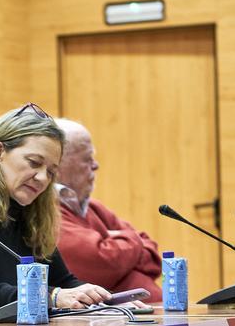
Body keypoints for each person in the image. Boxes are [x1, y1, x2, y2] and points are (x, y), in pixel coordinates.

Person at [0, 103, 116, 316]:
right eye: (34, 163)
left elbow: (64, 282)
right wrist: (54, 296)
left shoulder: (29, 216)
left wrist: (110, 301)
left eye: (52, 172)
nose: (43, 178)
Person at [54, 118, 162, 302]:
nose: (96, 166)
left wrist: (116, 245)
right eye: (87, 159)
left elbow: (153, 259)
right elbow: (102, 265)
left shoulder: (93, 207)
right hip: (110, 324)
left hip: (148, 315)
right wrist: (133, 239)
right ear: (59, 163)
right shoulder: (48, 212)